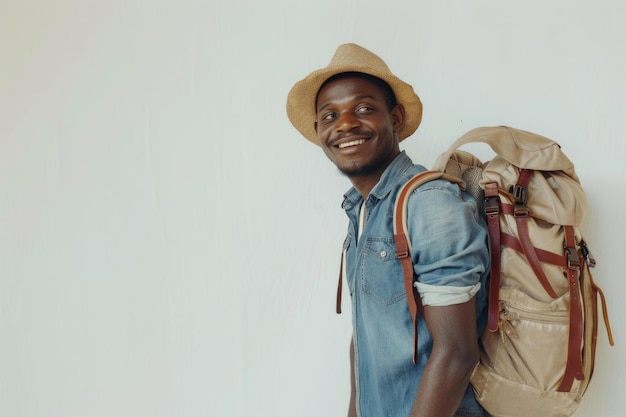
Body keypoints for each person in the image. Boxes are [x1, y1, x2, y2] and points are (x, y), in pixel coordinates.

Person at [286, 43, 490, 417]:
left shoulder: (429, 203)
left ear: (395, 118)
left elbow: (457, 354)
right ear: (318, 131)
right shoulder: (362, 209)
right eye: (330, 116)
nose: (345, 124)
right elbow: (367, 337)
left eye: (363, 108)